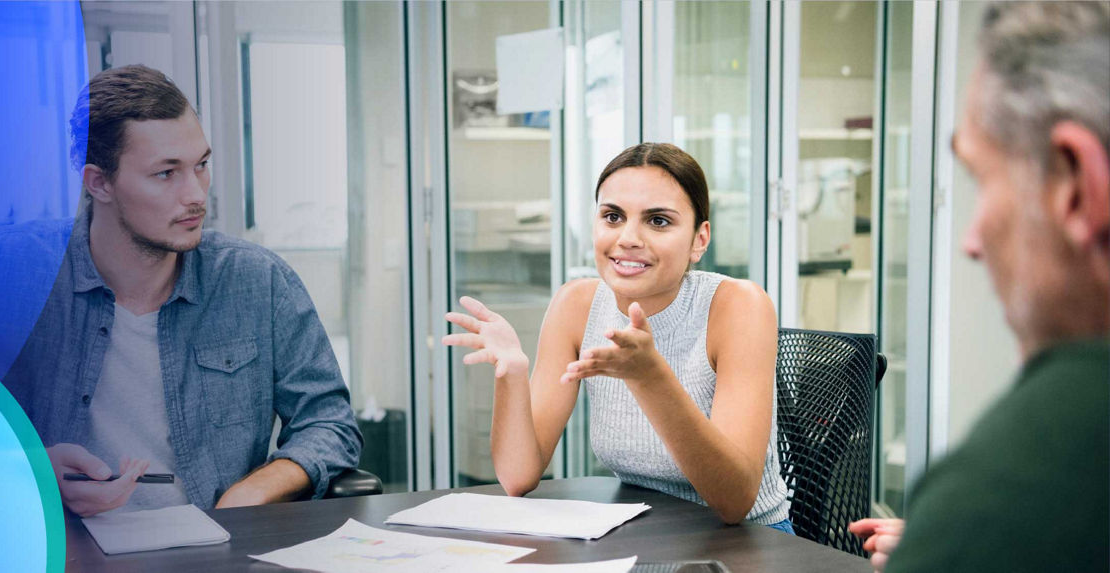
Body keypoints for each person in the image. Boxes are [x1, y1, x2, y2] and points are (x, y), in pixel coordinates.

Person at [0, 65, 360, 517]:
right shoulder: (5, 274)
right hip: (53, 547)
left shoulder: (258, 281)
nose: (196, 194)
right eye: (166, 173)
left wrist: (253, 491)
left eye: (201, 166)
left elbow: (329, 423)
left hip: (213, 549)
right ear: (98, 182)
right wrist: (30, 468)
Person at [847, 3, 1109, 571]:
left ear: (1076, 187)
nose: (972, 240)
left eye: (981, 180)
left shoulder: (1029, 477)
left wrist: (957, 537)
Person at [444, 142, 793, 531]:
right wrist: (512, 374)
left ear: (699, 240)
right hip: (645, 534)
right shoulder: (575, 304)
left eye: (658, 221)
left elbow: (735, 500)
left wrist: (650, 377)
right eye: (612, 217)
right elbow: (518, 477)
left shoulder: (738, 306)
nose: (628, 238)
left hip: (749, 543)